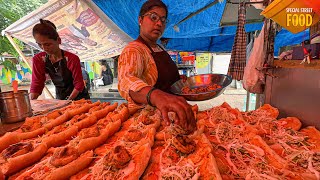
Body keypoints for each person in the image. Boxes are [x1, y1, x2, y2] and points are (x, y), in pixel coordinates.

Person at [118, 0, 195, 132]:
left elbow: (165, 80)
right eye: (153, 17)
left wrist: (179, 83)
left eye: (163, 20)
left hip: (171, 119)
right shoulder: (134, 49)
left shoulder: (158, 48)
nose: (159, 23)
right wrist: (156, 96)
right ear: (140, 20)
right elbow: (126, 81)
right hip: (147, 124)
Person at [30, 19, 90, 100]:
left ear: (58, 40)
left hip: (80, 98)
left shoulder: (72, 59)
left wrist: (68, 101)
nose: (44, 48)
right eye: (39, 44)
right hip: (60, 98)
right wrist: (31, 103)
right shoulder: (39, 59)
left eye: (47, 44)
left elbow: (79, 84)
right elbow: (37, 83)